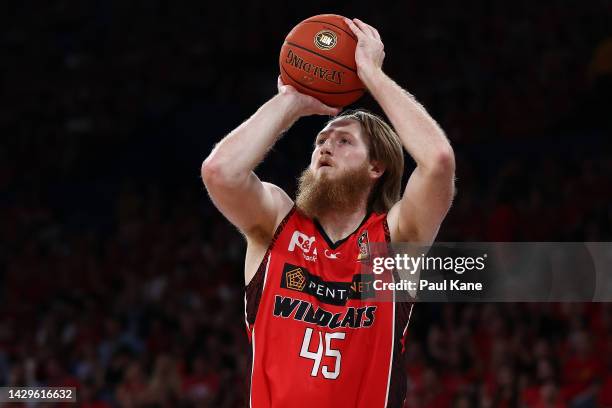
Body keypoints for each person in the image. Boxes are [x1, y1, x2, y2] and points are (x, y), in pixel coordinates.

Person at [202, 17, 455, 408]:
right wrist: (291, 101)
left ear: (376, 167)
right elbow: (220, 172)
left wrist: (371, 74)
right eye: (321, 139)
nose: (325, 147)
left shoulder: (395, 240)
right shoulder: (276, 224)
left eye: (343, 141)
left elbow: (438, 161)